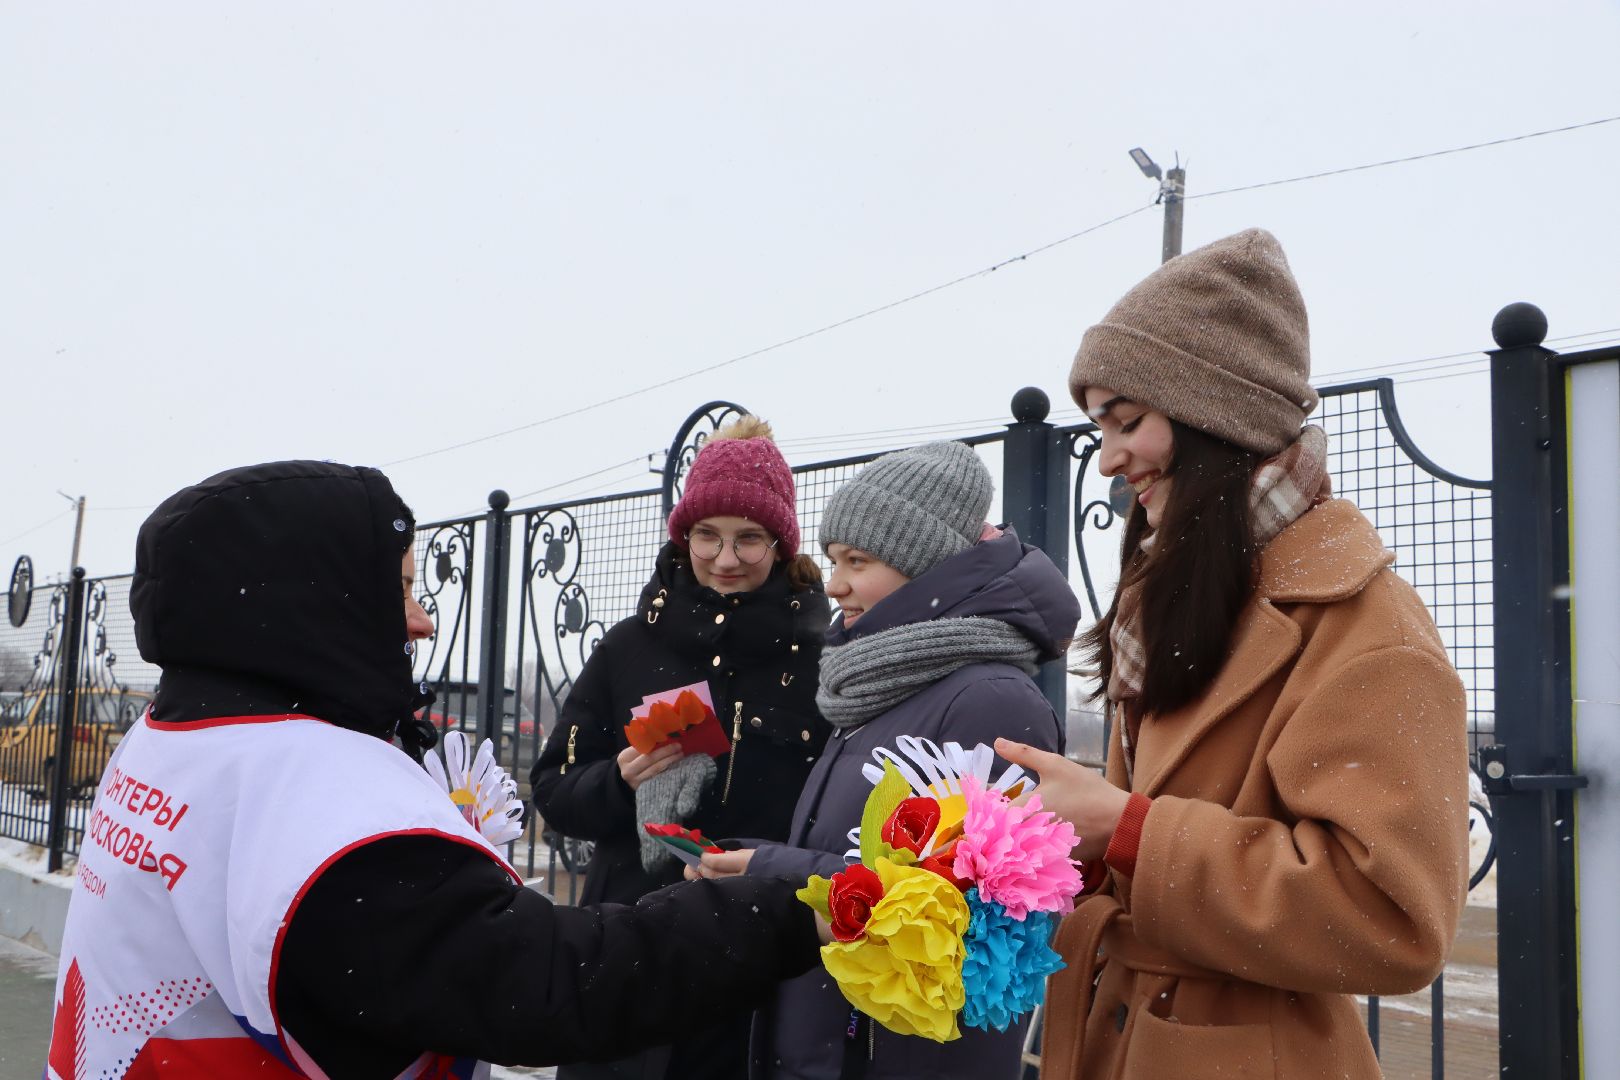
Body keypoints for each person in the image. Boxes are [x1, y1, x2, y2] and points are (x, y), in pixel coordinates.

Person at [46, 460, 825, 1080]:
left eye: (750, 538)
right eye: (402, 589)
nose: (423, 620)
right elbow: (544, 985)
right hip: (664, 957)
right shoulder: (321, 797)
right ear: (317, 606)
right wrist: (782, 911)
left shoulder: (175, 736)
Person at [996, 228, 1469, 1079]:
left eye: (1127, 421)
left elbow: (1391, 920)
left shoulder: (1366, 626)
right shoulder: (1183, 595)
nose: (1108, 459)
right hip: (1122, 1033)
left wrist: (1130, 829)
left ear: (1216, 415)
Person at [692, 440, 1082, 1080]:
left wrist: (773, 868)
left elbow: (965, 920)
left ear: (926, 569)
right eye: (833, 559)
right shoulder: (884, 686)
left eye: (858, 560)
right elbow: (865, 863)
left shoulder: (987, 702)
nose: (836, 582)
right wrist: (753, 862)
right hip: (825, 1040)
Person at [531, 416, 831, 1080]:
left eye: (749, 537)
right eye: (707, 535)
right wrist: (617, 780)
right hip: (626, 959)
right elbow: (555, 789)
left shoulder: (823, 660)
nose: (726, 558)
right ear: (683, 536)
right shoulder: (627, 649)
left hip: (759, 964)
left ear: (782, 544)